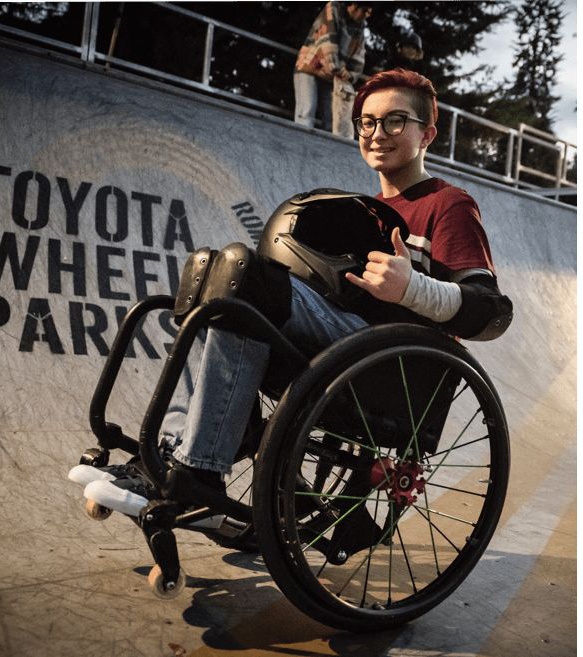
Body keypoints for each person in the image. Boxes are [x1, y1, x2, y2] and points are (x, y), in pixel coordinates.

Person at [70, 69, 512, 520]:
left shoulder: (447, 204)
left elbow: (492, 312)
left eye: (396, 121)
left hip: (394, 370)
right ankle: (173, 453)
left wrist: (412, 287)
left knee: (244, 274)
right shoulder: (360, 210)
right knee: (213, 277)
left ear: (427, 134)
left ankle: (199, 470)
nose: (378, 134)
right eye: (367, 122)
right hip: (343, 346)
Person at [294, 1, 373, 138]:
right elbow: (327, 40)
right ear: (353, 5)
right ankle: (299, 148)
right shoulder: (334, 8)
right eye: (365, 10)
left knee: (332, 119)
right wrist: (338, 68)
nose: (367, 15)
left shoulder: (360, 25)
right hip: (310, 67)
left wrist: (351, 75)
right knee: (306, 110)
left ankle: (327, 154)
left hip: (332, 76)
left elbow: (359, 54)